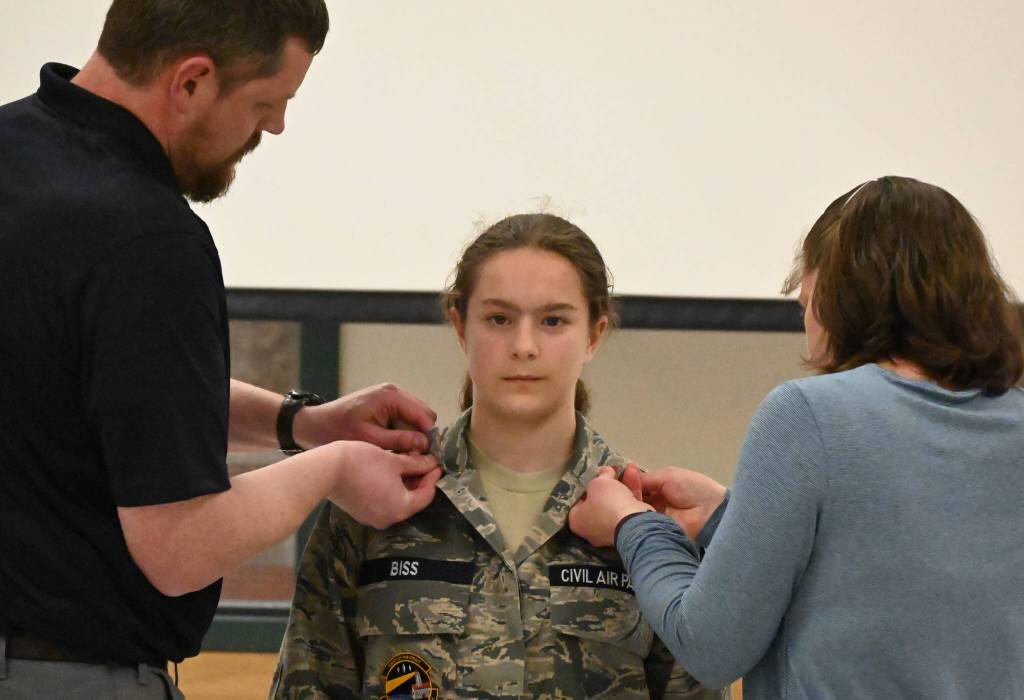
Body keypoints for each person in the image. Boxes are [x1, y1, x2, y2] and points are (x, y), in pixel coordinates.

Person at [0, 2, 441, 697]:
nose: (275, 126)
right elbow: (179, 548)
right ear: (193, 81)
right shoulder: (146, 239)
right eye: (267, 102)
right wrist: (333, 468)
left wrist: (300, 424)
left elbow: (106, 387)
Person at [568, 176, 1024, 699]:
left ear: (836, 294)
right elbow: (885, 589)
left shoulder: (809, 415)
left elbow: (712, 646)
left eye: (805, 301)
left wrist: (633, 525)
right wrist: (729, 516)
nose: (805, 321)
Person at [271, 214, 725, 699]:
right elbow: (308, 684)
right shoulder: (376, 501)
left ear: (594, 334)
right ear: (460, 326)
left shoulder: (643, 520)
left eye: (553, 321)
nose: (524, 347)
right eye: (499, 319)